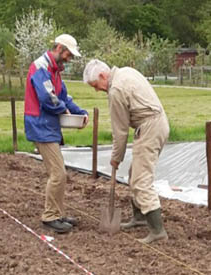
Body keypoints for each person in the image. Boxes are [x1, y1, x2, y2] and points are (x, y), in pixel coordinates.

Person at [83, 59, 170, 244]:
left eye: (95, 85)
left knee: (141, 181)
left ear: (102, 76)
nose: (97, 90)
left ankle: (158, 231)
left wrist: (116, 158)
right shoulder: (126, 71)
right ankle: (139, 217)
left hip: (150, 127)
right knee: (134, 175)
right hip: (158, 123)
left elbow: (120, 132)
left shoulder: (116, 90)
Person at [24, 34, 89, 233]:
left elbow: (63, 96)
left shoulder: (54, 71)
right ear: (60, 48)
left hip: (49, 126)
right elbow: (47, 98)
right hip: (40, 125)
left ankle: (58, 213)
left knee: (59, 172)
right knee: (58, 173)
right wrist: (63, 109)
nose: (69, 59)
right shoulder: (41, 67)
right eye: (69, 54)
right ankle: (50, 216)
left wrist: (80, 112)